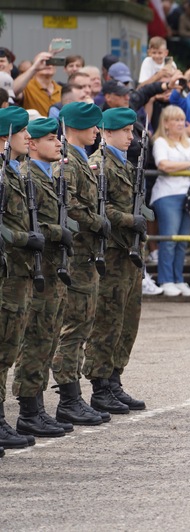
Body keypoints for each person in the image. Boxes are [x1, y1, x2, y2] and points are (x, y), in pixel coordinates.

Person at [83, 107, 148, 414]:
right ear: (107, 132)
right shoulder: (98, 165)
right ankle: (99, 386)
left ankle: (114, 379)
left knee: (127, 321)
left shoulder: (127, 164)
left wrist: (142, 215)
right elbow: (98, 208)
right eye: (124, 131)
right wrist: (130, 219)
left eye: (131, 131)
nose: (130, 136)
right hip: (111, 254)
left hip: (130, 256)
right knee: (107, 321)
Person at [14, 118, 74, 439]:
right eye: (51, 139)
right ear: (34, 144)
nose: (59, 143)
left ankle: (37, 407)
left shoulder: (49, 176)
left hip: (53, 271)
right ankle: (28, 410)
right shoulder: (28, 177)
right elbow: (29, 224)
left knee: (48, 338)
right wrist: (56, 232)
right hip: (35, 270)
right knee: (34, 340)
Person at [51, 101, 110, 425]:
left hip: (86, 255)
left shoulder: (80, 159)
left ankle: (74, 395)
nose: (97, 131)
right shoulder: (67, 162)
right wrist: (95, 220)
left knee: (83, 323)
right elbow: (69, 205)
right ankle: (68, 397)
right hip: (75, 255)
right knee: (73, 327)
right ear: (75, 127)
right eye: (93, 126)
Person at [0, 107, 46, 448]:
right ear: (5, 137)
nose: (28, 137)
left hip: (19, 272)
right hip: (8, 273)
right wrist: (23, 238)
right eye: (22, 132)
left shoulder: (13, 172)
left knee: (8, 349)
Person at [151, 105, 190, 297]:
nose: (180, 124)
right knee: (169, 239)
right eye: (176, 120)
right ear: (166, 123)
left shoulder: (188, 142)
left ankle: (179, 279)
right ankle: (166, 280)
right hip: (168, 194)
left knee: (183, 240)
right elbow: (163, 165)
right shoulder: (160, 142)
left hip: (189, 195)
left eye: (182, 120)